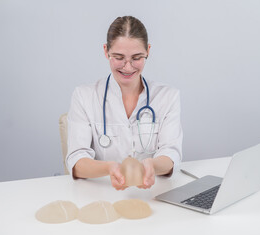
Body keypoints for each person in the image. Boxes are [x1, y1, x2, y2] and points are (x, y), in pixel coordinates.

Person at [66, 16, 182, 190]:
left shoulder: (168, 97)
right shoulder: (84, 96)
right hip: (102, 196)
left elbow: (171, 154)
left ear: (148, 51)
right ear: (106, 51)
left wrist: (152, 165)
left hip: (152, 194)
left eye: (137, 57)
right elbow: (76, 160)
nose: (128, 67)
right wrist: (110, 168)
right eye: (119, 57)